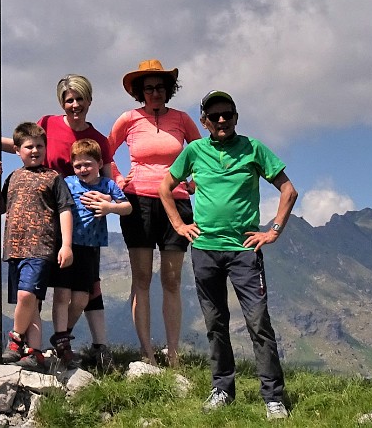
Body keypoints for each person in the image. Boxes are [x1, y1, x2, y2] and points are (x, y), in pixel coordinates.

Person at [160, 89, 298, 420]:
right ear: (204, 120)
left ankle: (273, 397)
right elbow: (165, 187)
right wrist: (179, 224)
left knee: (258, 322)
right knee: (215, 323)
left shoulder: (254, 149)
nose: (222, 120)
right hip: (205, 249)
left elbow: (289, 190)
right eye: (215, 115)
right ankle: (222, 389)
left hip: (244, 250)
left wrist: (273, 231)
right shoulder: (193, 151)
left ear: (236, 117)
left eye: (228, 114)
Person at [0, 74, 116, 365]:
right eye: (69, 99)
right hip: (44, 222)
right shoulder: (47, 124)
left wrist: (111, 201)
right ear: (62, 102)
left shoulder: (98, 139)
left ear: (89, 100)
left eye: (79, 98)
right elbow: (21, 143)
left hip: (81, 222)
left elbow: (107, 179)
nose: (74, 104)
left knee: (84, 288)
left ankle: (74, 342)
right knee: (48, 291)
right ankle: (43, 347)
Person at [107, 59, 202, 366]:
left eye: (160, 87)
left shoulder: (182, 119)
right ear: (140, 92)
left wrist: (193, 182)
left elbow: (202, 153)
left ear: (168, 89)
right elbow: (104, 153)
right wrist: (120, 180)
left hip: (176, 203)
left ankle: (173, 354)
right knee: (142, 278)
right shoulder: (128, 119)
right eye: (149, 88)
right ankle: (146, 353)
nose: (155, 93)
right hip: (138, 203)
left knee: (172, 280)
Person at [0, 121, 74, 371]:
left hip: (41, 248)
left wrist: (66, 245)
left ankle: (15, 339)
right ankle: (35, 352)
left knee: (26, 295)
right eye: (29, 147)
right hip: (14, 248)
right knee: (31, 304)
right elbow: (0, 208)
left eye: (39, 146)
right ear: (17, 150)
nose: (35, 150)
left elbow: (65, 209)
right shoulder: (13, 176)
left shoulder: (53, 177)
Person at [51, 138, 130, 369]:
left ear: (99, 163)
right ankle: (62, 341)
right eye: (78, 165)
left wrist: (110, 207)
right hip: (67, 245)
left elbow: (127, 207)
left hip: (90, 247)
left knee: (82, 298)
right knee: (62, 295)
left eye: (88, 164)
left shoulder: (107, 185)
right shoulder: (67, 182)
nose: (83, 169)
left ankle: (62, 335)